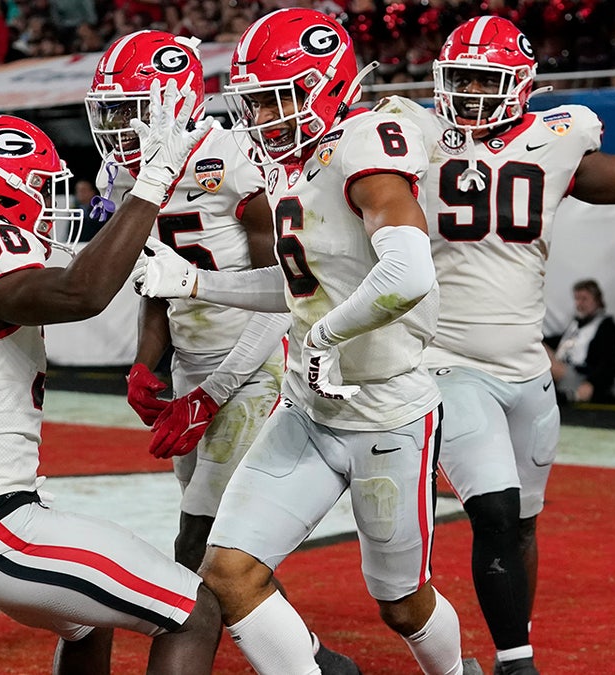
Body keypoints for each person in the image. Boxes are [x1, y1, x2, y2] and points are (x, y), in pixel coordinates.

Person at [375, 16, 615, 674]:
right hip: (446, 362)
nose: (466, 91)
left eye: (482, 79)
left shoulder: (555, 138)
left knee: (520, 520)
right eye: (458, 77)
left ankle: (511, 642)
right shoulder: (412, 134)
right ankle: (518, 664)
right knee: (491, 508)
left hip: (526, 370)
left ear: (519, 86)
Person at [136, 9, 475, 674]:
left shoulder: (364, 142)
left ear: (325, 85)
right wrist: (200, 283)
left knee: (402, 603)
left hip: (384, 413)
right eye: (253, 101)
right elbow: (299, 286)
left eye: (273, 99)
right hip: (307, 411)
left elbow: (407, 270)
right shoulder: (294, 162)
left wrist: (323, 334)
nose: (260, 116)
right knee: (228, 572)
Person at [0, 89, 223, 673]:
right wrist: (153, 183)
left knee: (87, 621)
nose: (49, 202)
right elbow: (81, 295)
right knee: (194, 610)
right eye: (39, 187)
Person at [86, 30, 289, 569]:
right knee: (223, 541)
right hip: (191, 367)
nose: (114, 128)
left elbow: (285, 293)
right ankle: (310, 656)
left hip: (255, 363)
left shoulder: (235, 157)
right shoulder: (126, 174)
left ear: (174, 103)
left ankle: (293, 655)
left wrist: (215, 392)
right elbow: (156, 283)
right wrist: (143, 364)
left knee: (197, 537)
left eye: (128, 110)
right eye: (107, 113)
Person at [544, 280, 615, 404]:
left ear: (597, 300)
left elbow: (607, 361)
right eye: (577, 299)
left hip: (581, 376)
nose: (579, 304)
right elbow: (560, 342)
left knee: (546, 364)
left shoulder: (606, 326)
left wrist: (592, 383)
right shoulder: (577, 323)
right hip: (564, 368)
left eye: (584, 299)